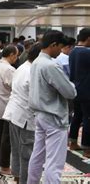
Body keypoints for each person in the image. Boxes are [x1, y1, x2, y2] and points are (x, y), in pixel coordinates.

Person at [27, 30, 77, 184]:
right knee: (54, 163)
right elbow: (70, 92)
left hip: (40, 115)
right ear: (53, 45)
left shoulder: (36, 62)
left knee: (37, 155)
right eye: (60, 47)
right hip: (53, 117)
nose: (60, 51)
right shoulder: (50, 65)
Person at [2, 42, 41, 184]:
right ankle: (24, 180)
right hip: (25, 116)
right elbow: (36, 99)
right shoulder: (32, 71)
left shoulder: (21, 67)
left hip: (15, 113)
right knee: (27, 153)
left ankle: (18, 177)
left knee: (17, 149)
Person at [0, 45, 19, 175]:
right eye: (16, 56)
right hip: (6, 101)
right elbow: (15, 87)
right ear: (11, 54)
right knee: (6, 135)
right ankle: (5, 165)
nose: (16, 58)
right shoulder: (8, 69)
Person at [69, 28, 90, 156]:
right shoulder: (87, 53)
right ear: (88, 38)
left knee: (77, 116)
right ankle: (87, 148)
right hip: (87, 91)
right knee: (88, 118)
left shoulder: (73, 52)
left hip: (75, 89)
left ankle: (73, 142)